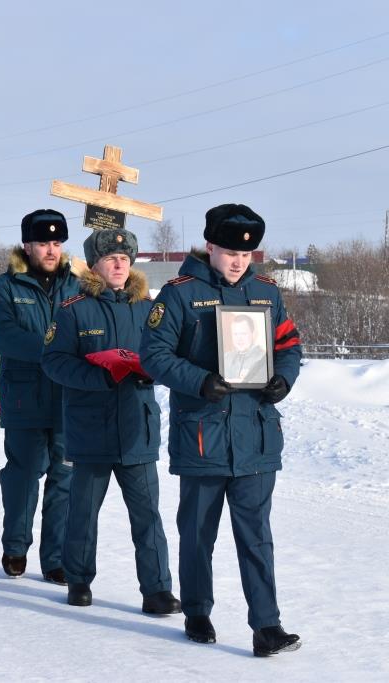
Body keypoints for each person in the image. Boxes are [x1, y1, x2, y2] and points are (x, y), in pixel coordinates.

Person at [140, 203, 303, 656]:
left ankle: (266, 626)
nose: (237, 261)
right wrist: (200, 381)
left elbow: (289, 344)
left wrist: (282, 380)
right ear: (210, 246)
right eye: (229, 251)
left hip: (255, 433)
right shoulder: (179, 293)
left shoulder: (267, 293)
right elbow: (153, 354)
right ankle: (196, 611)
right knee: (197, 534)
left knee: (257, 536)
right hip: (203, 435)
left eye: (246, 255)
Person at [43, 228, 180, 615]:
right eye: (110, 259)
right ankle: (79, 580)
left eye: (124, 259)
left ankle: (156, 590)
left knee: (147, 515)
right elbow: (54, 362)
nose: (118, 264)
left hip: (138, 425)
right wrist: (100, 376)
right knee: (83, 512)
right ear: (96, 265)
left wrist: (151, 370)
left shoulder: (148, 308)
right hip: (91, 427)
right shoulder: (73, 309)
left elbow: (166, 353)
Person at [0, 209, 83, 583]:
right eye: (43, 243)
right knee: (24, 476)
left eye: (57, 243)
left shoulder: (77, 284)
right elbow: (4, 335)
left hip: (68, 398)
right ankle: (15, 546)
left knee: (64, 479)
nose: (51, 250)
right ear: (27, 245)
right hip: (25, 397)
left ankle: (54, 558)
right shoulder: (6, 285)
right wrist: (56, 350)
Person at [223, 315, 267, 384]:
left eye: (243, 333)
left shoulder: (263, 358)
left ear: (253, 334)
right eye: (235, 334)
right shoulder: (225, 358)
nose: (239, 339)